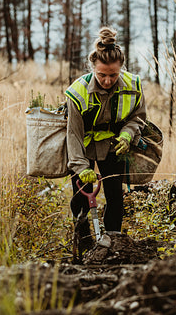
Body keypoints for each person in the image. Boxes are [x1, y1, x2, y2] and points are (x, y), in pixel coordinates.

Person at [64, 26, 146, 257]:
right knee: (80, 199)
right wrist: (80, 168)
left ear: (121, 68)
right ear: (92, 69)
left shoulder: (133, 86)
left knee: (115, 199)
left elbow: (138, 118)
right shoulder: (78, 92)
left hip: (114, 147)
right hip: (84, 150)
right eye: (102, 75)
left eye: (113, 74)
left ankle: (113, 247)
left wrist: (128, 134)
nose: (108, 80)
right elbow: (74, 135)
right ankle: (82, 247)